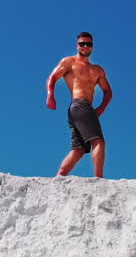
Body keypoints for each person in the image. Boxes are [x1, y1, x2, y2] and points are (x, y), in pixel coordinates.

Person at [45, 32, 113, 178]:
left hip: (83, 109)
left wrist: (100, 109)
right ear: (77, 46)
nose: (85, 46)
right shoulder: (69, 62)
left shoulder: (97, 70)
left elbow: (108, 92)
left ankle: (59, 178)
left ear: (92, 47)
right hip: (79, 104)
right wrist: (51, 95)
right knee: (98, 141)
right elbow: (53, 78)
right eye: (82, 44)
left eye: (89, 44)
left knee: (79, 149)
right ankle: (99, 180)